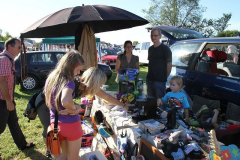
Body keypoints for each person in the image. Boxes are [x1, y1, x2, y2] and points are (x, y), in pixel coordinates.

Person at [45, 50, 85, 159]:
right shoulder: (68, 81)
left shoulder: (51, 78)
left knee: (63, 156)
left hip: (56, 124)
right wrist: (75, 108)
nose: (78, 73)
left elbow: (52, 100)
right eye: (77, 70)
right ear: (70, 67)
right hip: (71, 125)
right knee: (73, 158)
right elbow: (66, 101)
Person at [0, 38, 35, 154]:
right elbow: (2, 82)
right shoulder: (5, 59)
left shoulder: (9, 58)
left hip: (8, 99)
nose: (20, 50)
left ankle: (22, 144)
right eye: (19, 47)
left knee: (13, 122)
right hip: (3, 100)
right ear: (10, 46)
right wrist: (8, 101)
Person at [60, 67, 133, 116]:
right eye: (99, 84)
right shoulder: (73, 83)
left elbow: (107, 97)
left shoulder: (87, 86)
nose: (100, 87)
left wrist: (124, 106)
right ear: (93, 83)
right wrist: (77, 107)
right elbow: (65, 101)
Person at [147, 28, 172, 99]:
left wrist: (164, 78)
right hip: (150, 80)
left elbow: (169, 65)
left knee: (161, 104)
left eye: (155, 35)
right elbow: (150, 63)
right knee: (151, 102)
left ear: (160, 36)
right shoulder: (150, 49)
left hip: (160, 81)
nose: (153, 37)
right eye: (152, 35)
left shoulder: (165, 49)